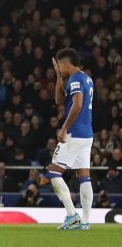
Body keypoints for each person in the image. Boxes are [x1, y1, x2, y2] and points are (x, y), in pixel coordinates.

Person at [45, 48, 95, 230]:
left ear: (66, 64)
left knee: (54, 172)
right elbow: (59, 101)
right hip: (87, 133)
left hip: (73, 133)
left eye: (59, 66)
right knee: (84, 177)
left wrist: (64, 128)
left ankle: (71, 214)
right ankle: (86, 221)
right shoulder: (86, 78)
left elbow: (78, 103)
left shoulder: (75, 79)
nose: (58, 68)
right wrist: (59, 77)